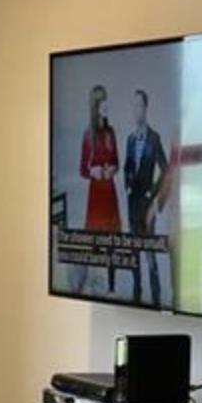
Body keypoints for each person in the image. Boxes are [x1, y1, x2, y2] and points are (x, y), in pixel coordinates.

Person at [123, 88, 171, 306]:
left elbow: (166, 169)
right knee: (133, 252)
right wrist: (126, 184)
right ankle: (136, 294)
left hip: (147, 206)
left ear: (146, 108)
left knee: (150, 254)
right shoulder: (130, 140)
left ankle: (156, 298)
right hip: (132, 205)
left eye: (139, 106)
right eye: (133, 106)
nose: (136, 110)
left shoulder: (154, 138)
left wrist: (153, 192)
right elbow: (126, 167)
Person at [79, 84, 121, 294]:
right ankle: (96, 288)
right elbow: (82, 170)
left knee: (111, 243)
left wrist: (112, 169)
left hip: (109, 194)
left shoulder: (111, 132)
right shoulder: (88, 135)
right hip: (96, 197)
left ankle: (111, 289)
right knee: (96, 243)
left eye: (107, 100)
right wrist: (93, 172)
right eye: (103, 101)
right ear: (96, 105)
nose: (107, 105)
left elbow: (117, 162)